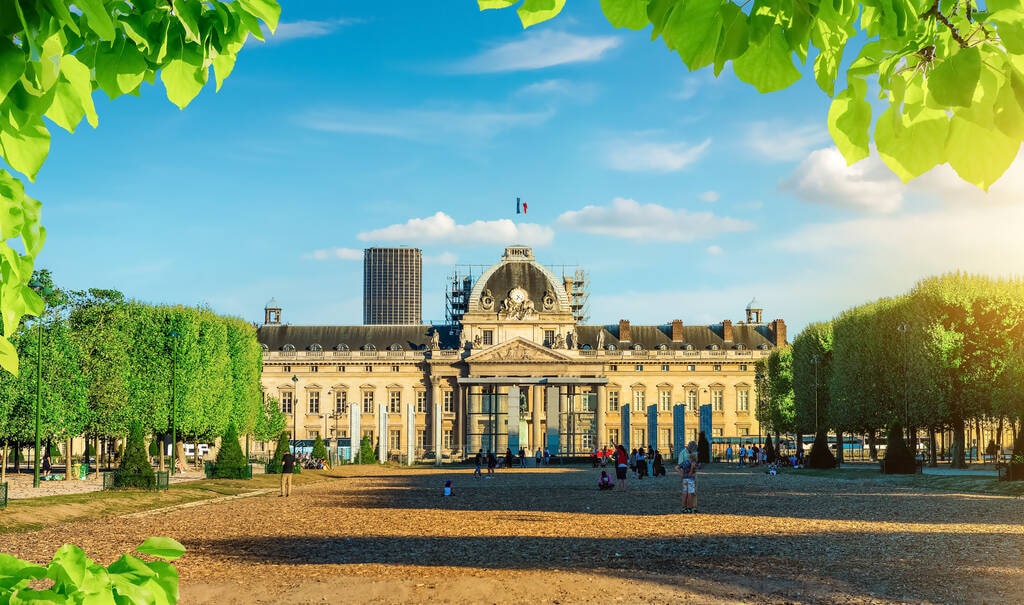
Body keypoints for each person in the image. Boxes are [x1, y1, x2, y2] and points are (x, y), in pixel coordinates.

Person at [676, 441, 698, 513]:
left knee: (692, 492)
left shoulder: (694, 453)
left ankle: (692, 507)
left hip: (689, 476)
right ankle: (689, 507)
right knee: (689, 493)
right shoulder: (682, 453)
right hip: (688, 476)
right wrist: (682, 474)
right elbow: (680, 465)